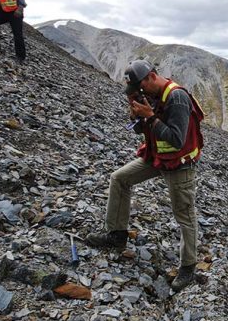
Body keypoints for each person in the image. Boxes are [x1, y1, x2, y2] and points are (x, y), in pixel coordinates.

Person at [86, 59, 205, 292]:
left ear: (151, 77)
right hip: (156, 156)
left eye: (141, 88)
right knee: (120, 178)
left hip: (180, 164)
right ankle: (116, 233)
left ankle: (188, 267)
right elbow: (143, 129)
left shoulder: (177, 97)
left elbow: (176, 139)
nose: (140, 93)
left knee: (184, 214)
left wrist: (150, 116)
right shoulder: (150, 95)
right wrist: (137, 116)